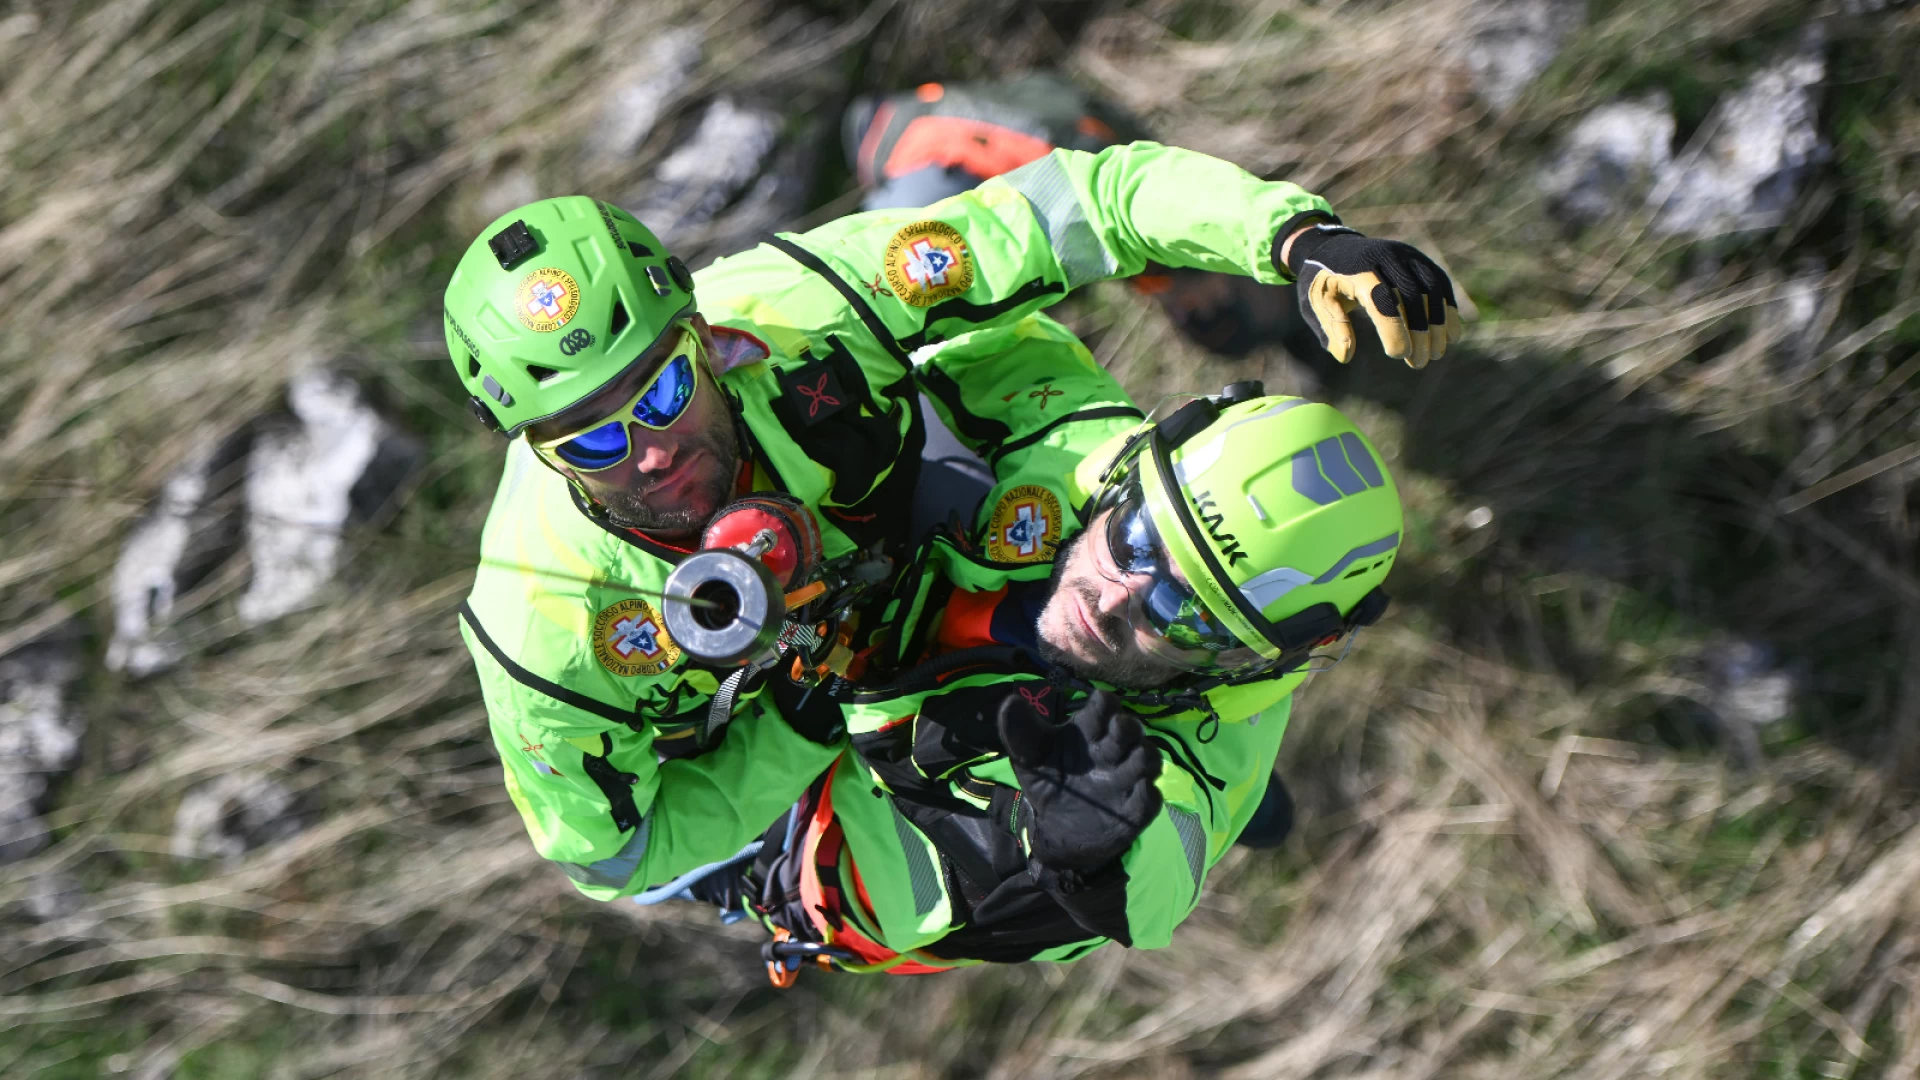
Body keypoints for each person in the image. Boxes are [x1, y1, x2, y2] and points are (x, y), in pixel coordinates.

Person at [444, 141, 1461, 905]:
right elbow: (616, 855)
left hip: (929, 532)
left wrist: (1291, 235)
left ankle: (1202, 749)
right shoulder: (546, 631)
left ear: (704, 334)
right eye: (587, 443)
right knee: (978, 857)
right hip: (786, 741)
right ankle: (1156, 814)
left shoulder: (809, 309)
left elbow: (1084, 206)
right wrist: (802, 732)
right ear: (533, 449)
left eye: (664, 390)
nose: (649, 453)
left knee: (1153, 551)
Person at [706, 386, 1409, 979]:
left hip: (851, 849)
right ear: (1132, 478)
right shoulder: (1104, 461)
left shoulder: (1196, 769)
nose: (1112, 596)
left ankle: (1252, 808)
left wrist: (1101, 859)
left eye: (1181, 611)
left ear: (1248, 661)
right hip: (938, 644)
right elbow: (995, 319)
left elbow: (1162, 875)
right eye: (1136, 541)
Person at [846, 73, 1330, 360]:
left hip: (928, 133)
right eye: (1205, 315)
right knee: (908, 312)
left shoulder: (1159, 232)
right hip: (931, 161)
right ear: (1222, 290)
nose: (1187, 314)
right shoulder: (1151, 225)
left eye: (1192, 323)